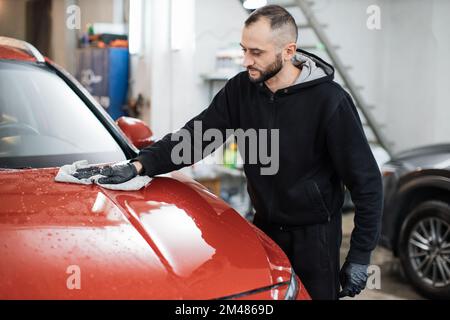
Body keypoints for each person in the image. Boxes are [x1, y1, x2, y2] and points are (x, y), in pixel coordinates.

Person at [74, 5, 383, 300]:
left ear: (288, 52)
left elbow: (367, 184)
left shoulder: (330, 102)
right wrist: (140, 165)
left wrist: (359, 256)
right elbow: (196, 137)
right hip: (263, 229)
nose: (245, 60)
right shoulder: (241, 90)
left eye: (256, 53)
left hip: (314, 240)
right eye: (244, 49)